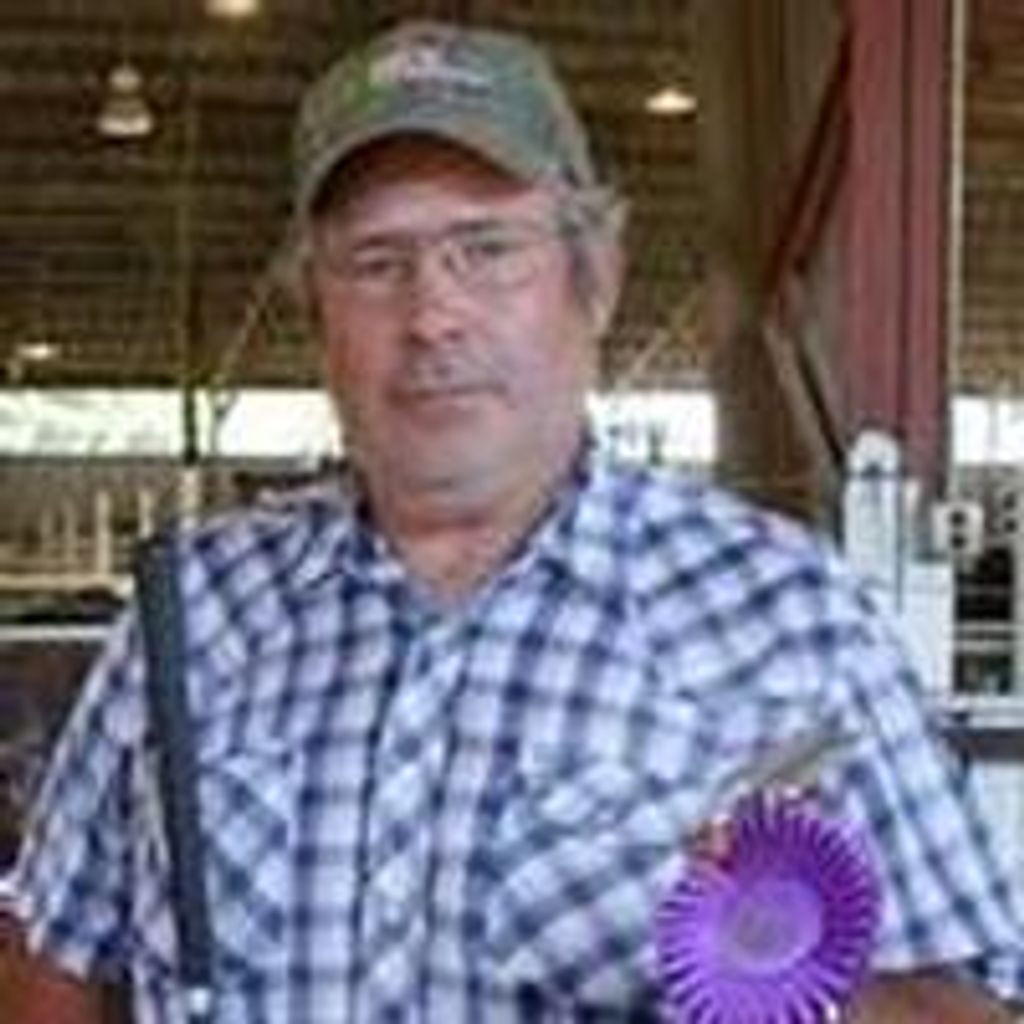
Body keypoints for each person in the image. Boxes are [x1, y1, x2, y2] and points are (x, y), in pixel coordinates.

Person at [9, 19, 1024, 1023]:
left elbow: (964, 1005)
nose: (432, 315)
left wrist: (784, 971)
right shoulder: (193, 613)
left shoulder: (790, 616)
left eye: (486, 248)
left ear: (596, 281)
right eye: (375, 262)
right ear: (315, 313)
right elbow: (52, 957)